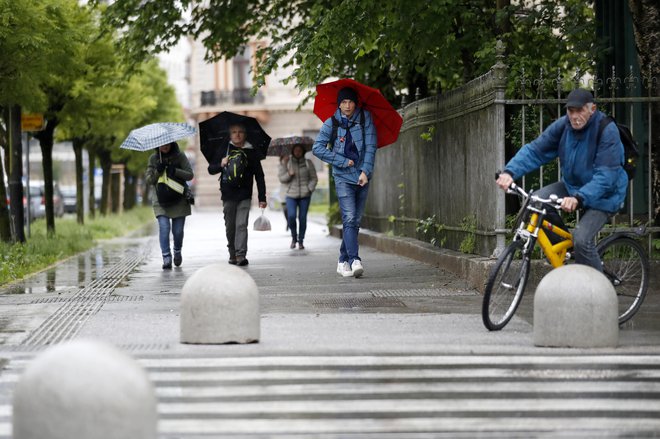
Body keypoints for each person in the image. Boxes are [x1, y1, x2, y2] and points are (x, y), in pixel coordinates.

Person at [496, 88, 628, 271]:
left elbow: (607, 176)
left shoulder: (607, 130)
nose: (574, 116)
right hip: (572, 186)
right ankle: (568, 250)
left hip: (606, 194)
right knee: (536, 202)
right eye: (570, 111)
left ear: (592, 109)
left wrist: (579, 198)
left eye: (580, 110)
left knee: (582, 238)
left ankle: (599, 290)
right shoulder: (564, 126)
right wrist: (510, 172)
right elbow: (536, 150)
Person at [312, 86, 377, 278]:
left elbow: (371, 147)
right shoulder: (331, 123)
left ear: (355, 103)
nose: (347, 106)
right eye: (343, 102)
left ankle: (342, 260)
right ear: (339, 104)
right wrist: (341, 161)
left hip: (362, 177)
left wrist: (365, 171)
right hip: (342, 177)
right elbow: (317, 148)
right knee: (349, 218)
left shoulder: (365, 118)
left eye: (350, 102)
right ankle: (354, 259)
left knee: (355, 221)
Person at [208, 123, 267, 266]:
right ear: (230, 135)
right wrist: (221, 164)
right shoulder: (224, 149)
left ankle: (241, 254)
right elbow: (211, 169)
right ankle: (232, 253)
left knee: (241, 224)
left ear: (245, 134)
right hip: (228, 194)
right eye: (234, 132)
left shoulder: (251, 152)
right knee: (230, 226)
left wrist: (262, 197)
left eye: (241, 131)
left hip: (245, 194)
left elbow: (259, 176)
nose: (237, 134)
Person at [145, 141, 194, 270]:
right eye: (161, 144)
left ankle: (177, 250)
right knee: (164, 227)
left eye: (167, 144)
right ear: (157, 145)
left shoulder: (180, 156)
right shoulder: (154, 158)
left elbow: (190, 175)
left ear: (172, 143)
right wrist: (158, 171)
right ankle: (166, 257)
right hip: (160, 200)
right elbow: (149, 180)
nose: (164, 146)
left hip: (179, 198)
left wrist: (175, 171)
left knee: (178, 231)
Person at [279, 143, 318, 249]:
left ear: (303, 151)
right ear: (292, 151)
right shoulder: (287, 163)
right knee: (291, 216)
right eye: (295, 150)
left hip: (305, 195)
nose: (297, 152)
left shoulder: (308, 163)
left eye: (299, 150)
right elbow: (281, 178)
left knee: (302, 218)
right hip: (291, 195)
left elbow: (314, 178)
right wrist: (289, 174)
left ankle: (301, 240)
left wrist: (309, 188)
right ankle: (293, 237)